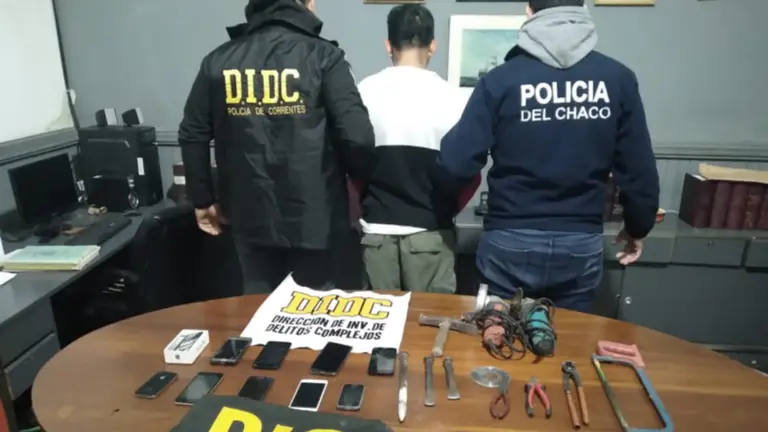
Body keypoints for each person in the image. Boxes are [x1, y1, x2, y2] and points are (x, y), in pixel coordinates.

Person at [437, 0, 660, 312]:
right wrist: (638, 226)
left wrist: (441, 207)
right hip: (579, 240)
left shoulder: (500, 80)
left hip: (509, 237)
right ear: (584, 9)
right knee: (568, 337)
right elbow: (638, 168)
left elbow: (456, 162)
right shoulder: (617, 79)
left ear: (529, 12)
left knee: (500, 334)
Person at [178, 0, 375, 294]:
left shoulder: (218, 61)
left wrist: (202, 199)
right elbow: (357, 137)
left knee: (258, 302)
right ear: (307, 3)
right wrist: (360, 187)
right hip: (316, 215)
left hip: (246, 213)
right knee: (313, 307)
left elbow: (193, 132)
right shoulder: (324, 56)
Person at [354, 4, 479, 293]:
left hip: (376, 234)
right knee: (429, 320)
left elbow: (350, 167)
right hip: (431, 233)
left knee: (379, 319)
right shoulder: (454, 99)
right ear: (433, 45)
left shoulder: (363, 92)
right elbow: (469, 175)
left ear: (389, 45)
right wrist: (448, 208)